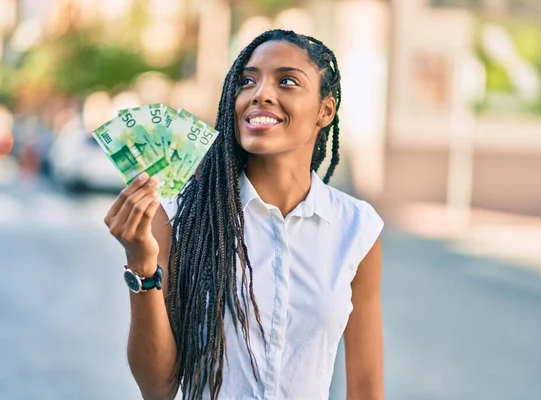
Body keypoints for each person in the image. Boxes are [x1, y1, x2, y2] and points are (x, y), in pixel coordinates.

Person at [103, 29, 384, 400]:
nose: (260, 94)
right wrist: (141, 266)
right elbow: (159, 388)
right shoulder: (182, 213)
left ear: (325, 110)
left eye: (286, 81)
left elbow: (365, 388)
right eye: (247, 81)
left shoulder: (356, 228)